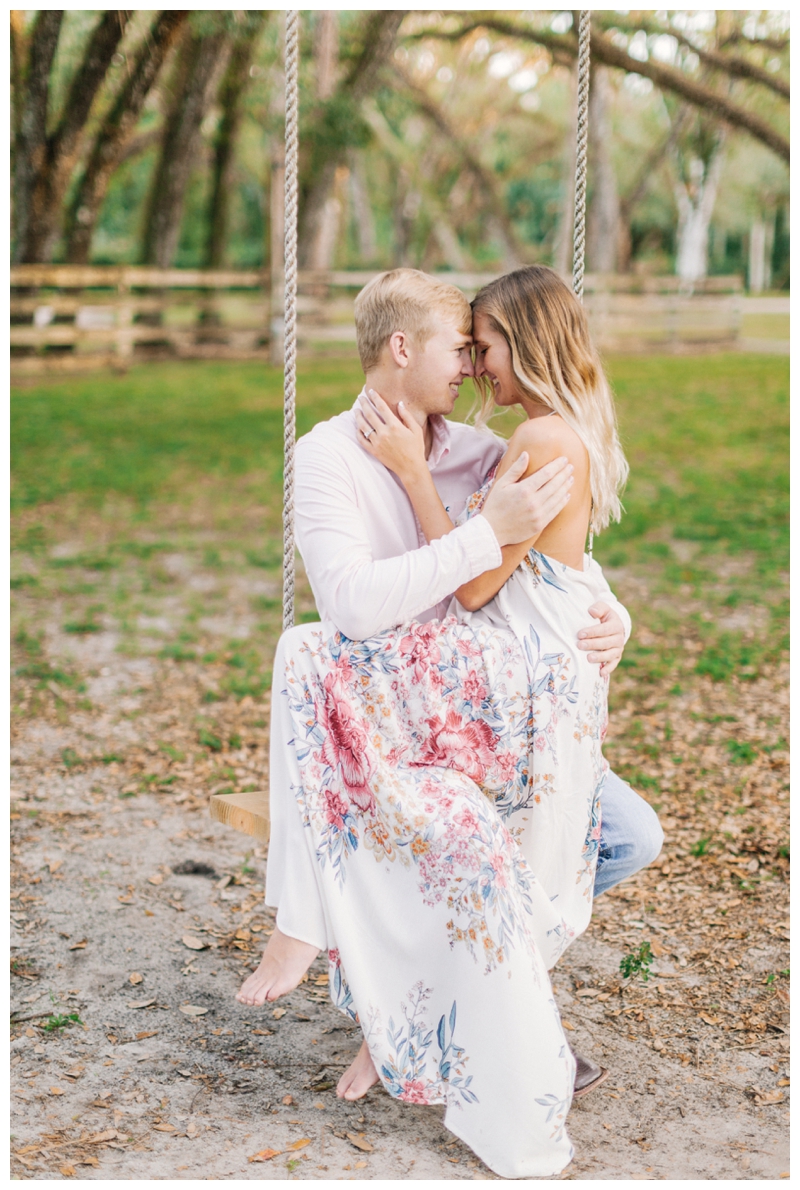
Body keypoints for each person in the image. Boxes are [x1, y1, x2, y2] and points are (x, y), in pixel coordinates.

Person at [237, 269, 663, 1178]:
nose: (473, 367)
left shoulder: (482, 446)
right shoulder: (326, 454)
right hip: (413, 714)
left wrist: (615, 612)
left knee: (624, 834)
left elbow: (554, 552)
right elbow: (355, 604)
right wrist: (445, 504)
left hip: (490, 703)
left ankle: (424, 1008)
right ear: (403, 350)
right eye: (460, 347)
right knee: (309, 651)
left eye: (485, 347)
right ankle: (416, 1005)